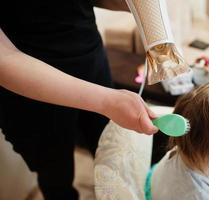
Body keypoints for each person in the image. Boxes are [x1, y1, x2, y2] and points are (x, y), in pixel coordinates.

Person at [0, 1, 157, 199]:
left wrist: (134, 4)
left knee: (114, 150)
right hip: (31, 89)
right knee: (55, 173)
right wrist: (108, 102)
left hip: (90, 60)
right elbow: (3, 58)